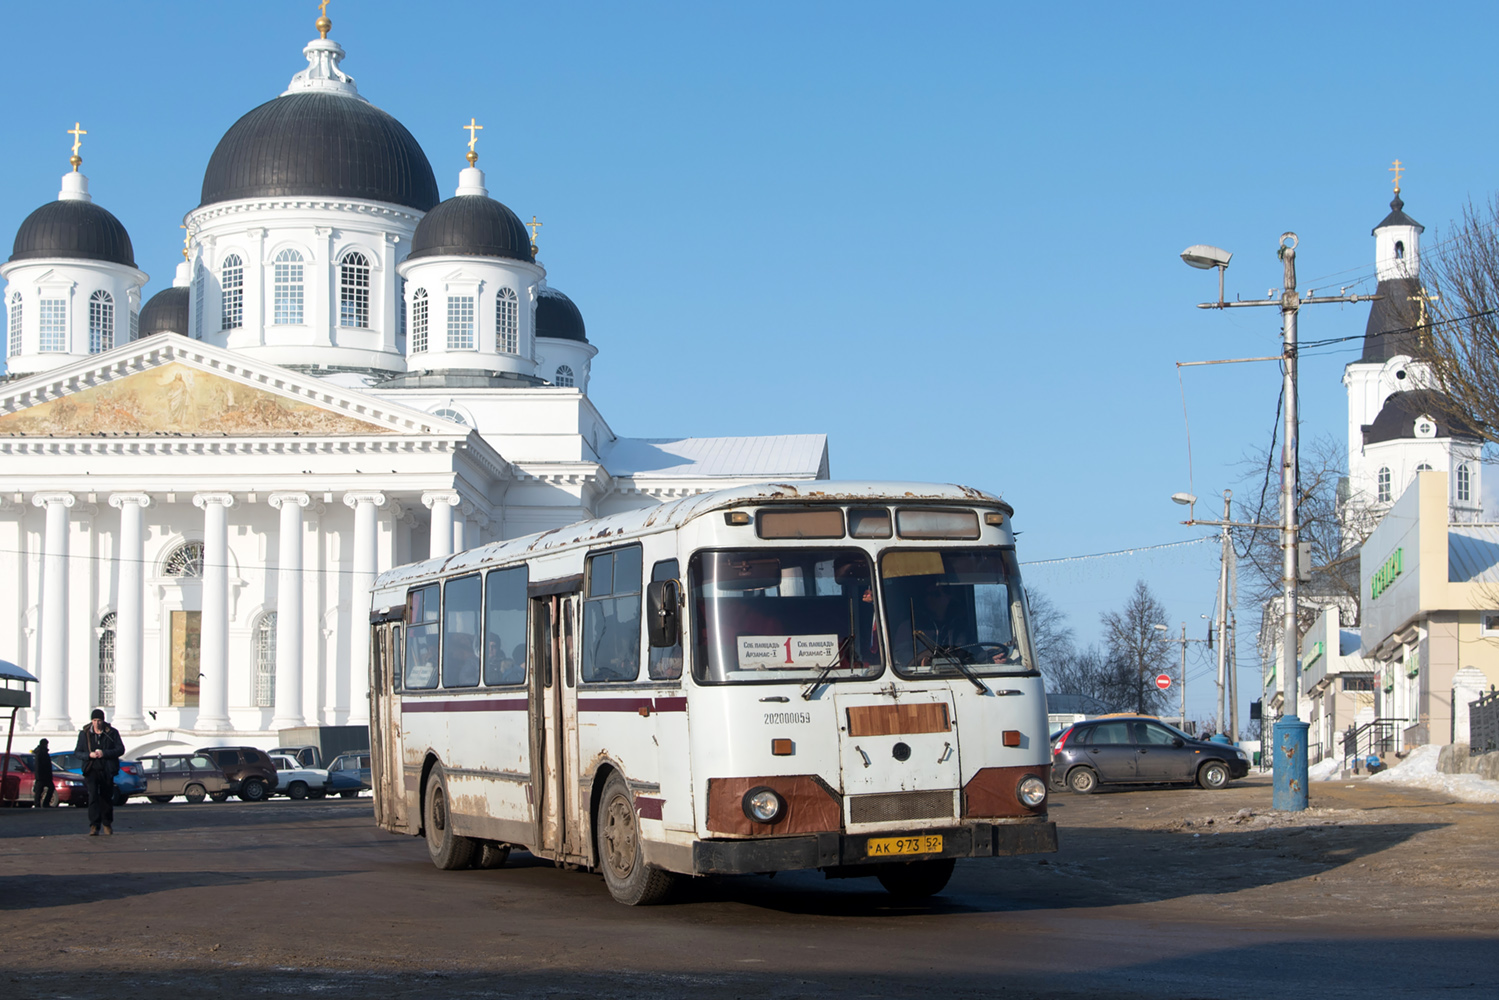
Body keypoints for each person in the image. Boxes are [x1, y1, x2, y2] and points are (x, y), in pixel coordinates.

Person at [74, 709, 124, 836]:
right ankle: (94, 825)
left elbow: (120, 749)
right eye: (95, 721)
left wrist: (104, 753)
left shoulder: (112, 733)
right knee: (93, 797)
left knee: (106, 797)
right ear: (92, 721)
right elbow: (77, 752)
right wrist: (89, 755)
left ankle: (107, 823)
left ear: (103, 721)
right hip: (91, 769)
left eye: (99, 721)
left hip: (107, 769)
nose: (97, 723)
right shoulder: (84, 734)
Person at [31, 738, 54, 808]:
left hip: (45, 775)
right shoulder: (40, 752)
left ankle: (43, 803)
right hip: (42, 775)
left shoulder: (43, 752)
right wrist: (38, 776)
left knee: (45, 789)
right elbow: (39, 765)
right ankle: (39, 804)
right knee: (39, 791)